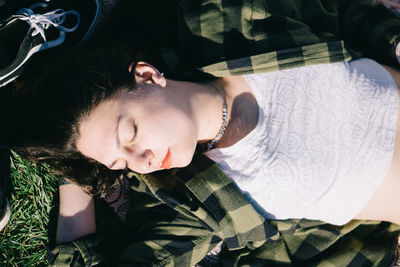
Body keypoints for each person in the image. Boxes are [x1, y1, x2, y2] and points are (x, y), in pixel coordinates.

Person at [8, 0, 400, 265]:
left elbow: (345, 11)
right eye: (119, 162)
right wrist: (75, 175)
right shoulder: (193, 206)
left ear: (147, 76)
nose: (142, 161)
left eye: (130, 134)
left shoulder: (229, 19)